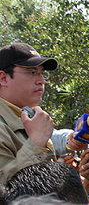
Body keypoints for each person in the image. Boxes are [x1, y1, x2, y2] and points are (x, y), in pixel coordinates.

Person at [0, 42, 58, 184]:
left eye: (42, 73)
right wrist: (37, 142)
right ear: (3, 78)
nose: (42, 81)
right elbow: (7, 191)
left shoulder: (27, 118)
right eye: (32, 72)